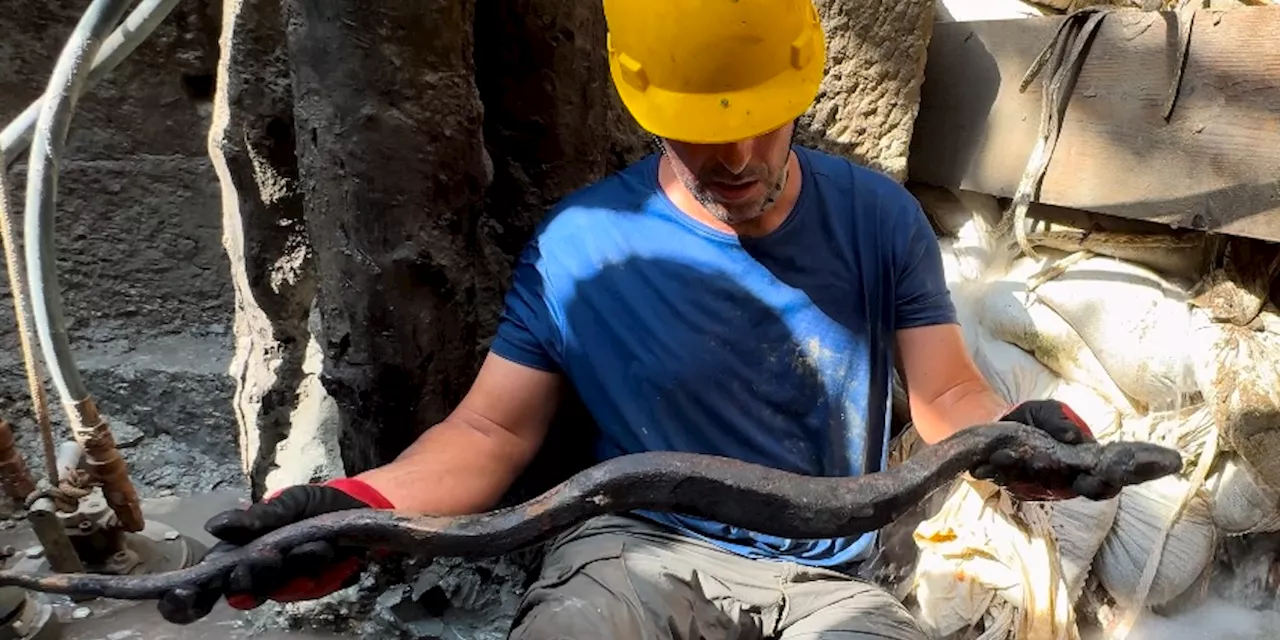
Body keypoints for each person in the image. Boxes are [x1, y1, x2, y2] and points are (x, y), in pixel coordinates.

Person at [157, 0, 1114, 636]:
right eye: (703, 131)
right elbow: (490, 430)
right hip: (628, 551)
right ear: (647, 103)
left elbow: (945, 389)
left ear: (802, 83)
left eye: (761, 121)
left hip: (830, 575)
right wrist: (362, 511)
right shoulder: (582, 245)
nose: (735, 157)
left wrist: (1006, 445)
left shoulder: (877, 219)